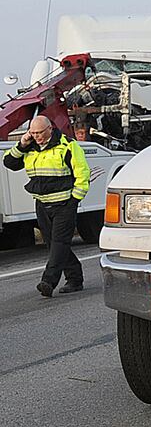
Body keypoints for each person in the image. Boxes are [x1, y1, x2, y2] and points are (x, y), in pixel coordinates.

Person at [4, 115, 90, 298]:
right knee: (53, 243)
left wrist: (74, 199)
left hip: (64, 203)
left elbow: (82, 173)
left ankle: (48, 281)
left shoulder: (68, 145)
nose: (37, 137)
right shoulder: (30, 148)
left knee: (59, 242)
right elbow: (9, 163)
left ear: (50, 128)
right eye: (33, 133)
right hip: (42, 203)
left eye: (40, 132)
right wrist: (21, 144)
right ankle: (75, 278)